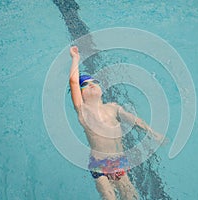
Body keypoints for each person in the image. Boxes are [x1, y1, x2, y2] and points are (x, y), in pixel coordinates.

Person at [69, 46, 164, 200]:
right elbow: (73, 82)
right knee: (109, 196)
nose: (91, 83)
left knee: (130, 196)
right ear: (80, 94)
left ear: (101, 88)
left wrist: (152, 132)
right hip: (98, 164)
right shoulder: (83, 111)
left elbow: (134, 120)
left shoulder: (113, 108)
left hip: (119, 163)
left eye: (94, 81)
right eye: (85, 84)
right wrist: (75, 59)